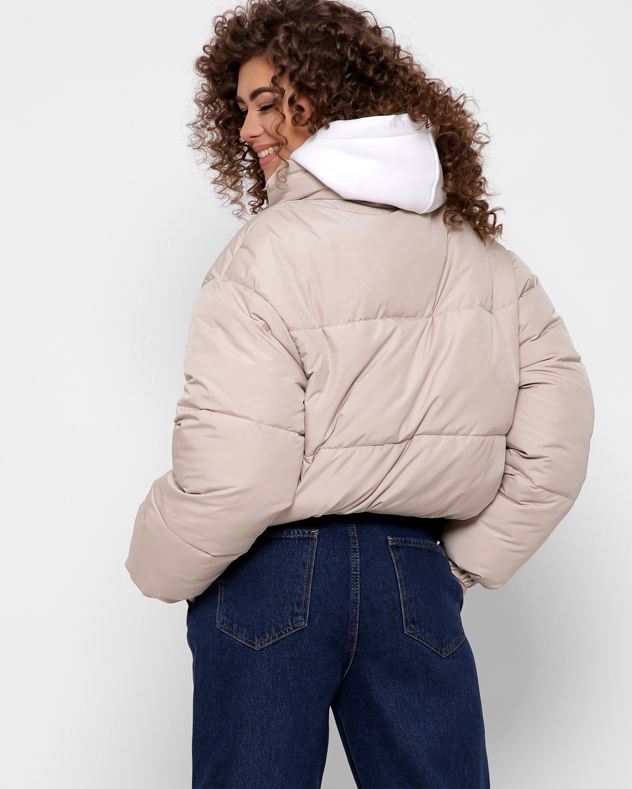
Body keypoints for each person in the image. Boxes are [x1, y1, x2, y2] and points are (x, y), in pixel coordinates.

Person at [125, 0, 595, 786]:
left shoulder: (261, 256)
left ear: (327, 97)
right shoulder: (483, 259)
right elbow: (558, 436)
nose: (247, 128)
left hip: (270, 574)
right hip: (412, 571)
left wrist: (154, 563)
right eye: (240, 109)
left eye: (267, 104)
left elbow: (241, 475)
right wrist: (455, 566)